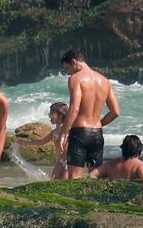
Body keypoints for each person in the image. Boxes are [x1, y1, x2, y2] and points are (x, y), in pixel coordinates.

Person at [58, 49, 121, 179]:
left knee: (74, 178)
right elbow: (115, 112)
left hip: (79, 133)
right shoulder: (104, 80)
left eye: (67, 69)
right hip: (97, 134)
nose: (68, 73)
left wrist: (63, 133)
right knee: (95, 177)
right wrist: (99, 124)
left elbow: (74, 108)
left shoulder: (75, 79)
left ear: (74, 62)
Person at [17, 102, 69, 180]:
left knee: (65, 182)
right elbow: (42, 142)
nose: (49, 115)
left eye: (51, 113)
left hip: (68, 160)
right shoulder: (55, 131)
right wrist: (25, 142)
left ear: (61, 115)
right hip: (60, 160)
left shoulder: (66, 130)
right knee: (53, 180)